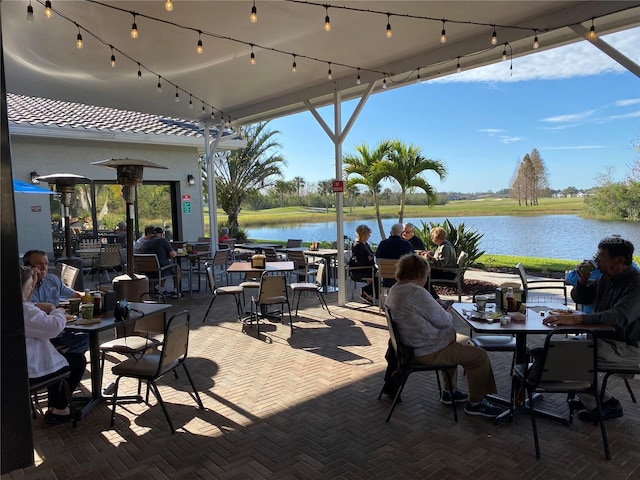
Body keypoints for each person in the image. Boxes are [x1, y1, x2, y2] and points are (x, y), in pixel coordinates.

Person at [384, 253, 502, 417]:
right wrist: (445, 309)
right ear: (420, 274)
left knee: (453, 346)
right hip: (427, 351)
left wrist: (435, 306)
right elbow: (445, 321)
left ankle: (449, 391)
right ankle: (476, 403)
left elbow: (420, 314)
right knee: (479, 356)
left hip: (411, 349)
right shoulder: (416, 292)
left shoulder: (396, 289)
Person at [544, 237, 640, 422]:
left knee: (565, 354)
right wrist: (582, 281)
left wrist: (577, 319)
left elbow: (618, 317)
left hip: (626, 347)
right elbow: (583, 298)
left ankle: (605, 404)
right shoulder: (607, 278)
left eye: (601, 256)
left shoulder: (636, 285)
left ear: (619, 261)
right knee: (562, 348)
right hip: (602, 339)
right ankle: (590, 396)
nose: (596, 260)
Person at [22, 266, 86, 425]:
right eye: (30, 285)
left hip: (14, 369)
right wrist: (54, 309)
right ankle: (60, 409)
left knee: (61, 360)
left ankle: (54, 406)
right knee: (77, 361)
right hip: (31, 370)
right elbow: (53, 327)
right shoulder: (24, 310)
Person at [23, 250, 89, 355]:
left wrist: (92, 295)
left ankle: (62, 360)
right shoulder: (23, 287)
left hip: (58, 327)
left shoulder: (52, 280)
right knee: (82, 339)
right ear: (28, 266)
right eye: (39, 264)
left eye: (46, 264)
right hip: (37, 333)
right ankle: (60, 361)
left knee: (84, 337)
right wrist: (32, 280)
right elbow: (25, 307)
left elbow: (74, 295)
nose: (44, 268)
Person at [141, 226, 182, 295]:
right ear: (162, 234)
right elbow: (173, 255)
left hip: (148, 271)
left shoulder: (145, 243)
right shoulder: (162, 240)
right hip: (160, 270)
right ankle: (176, 291)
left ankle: (161, 290)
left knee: (164, 264)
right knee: (176, 267)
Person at [349, 224, 377, 303]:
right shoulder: (357, 245)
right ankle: (366, 292)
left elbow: (370, 253)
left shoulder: (365, 244)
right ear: (363, 235)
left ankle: (369, 294)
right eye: (368, 234)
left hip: (368, 268)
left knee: (380, 274)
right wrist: (369, 258)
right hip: (359, 270)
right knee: (378, 276)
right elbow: (359, 261)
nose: (369, 236)